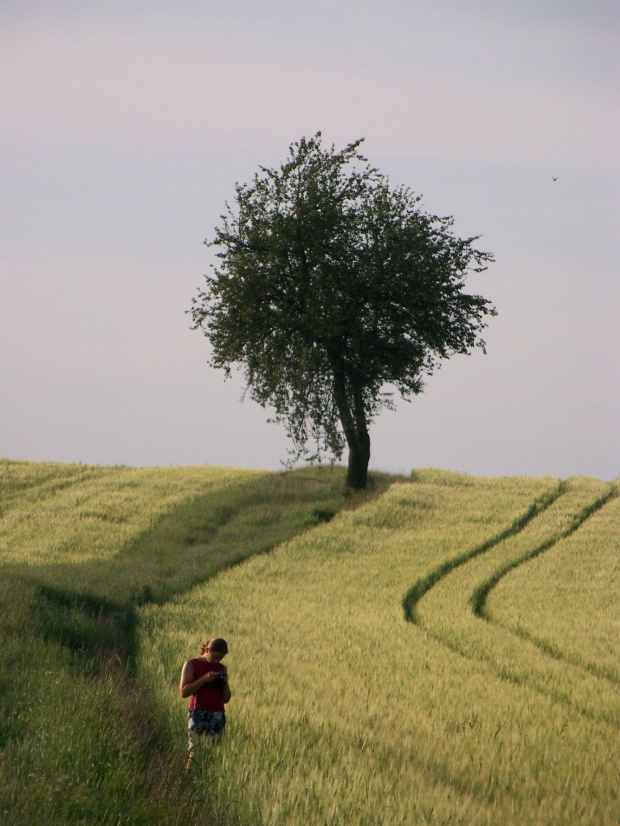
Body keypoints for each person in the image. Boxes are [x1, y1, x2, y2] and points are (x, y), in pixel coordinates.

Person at [179, 637, 231, 763]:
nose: (217, 661)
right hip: (198, 713)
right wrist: (204, 679)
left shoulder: (222, 668)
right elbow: (184, 692)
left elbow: (226, 698)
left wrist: (224, 683)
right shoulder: (192, 664)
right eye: (214, 657)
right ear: (207, 650)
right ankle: (188, 777)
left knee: (215, 753)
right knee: (195, 752)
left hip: (218, 714)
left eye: (220, 658)